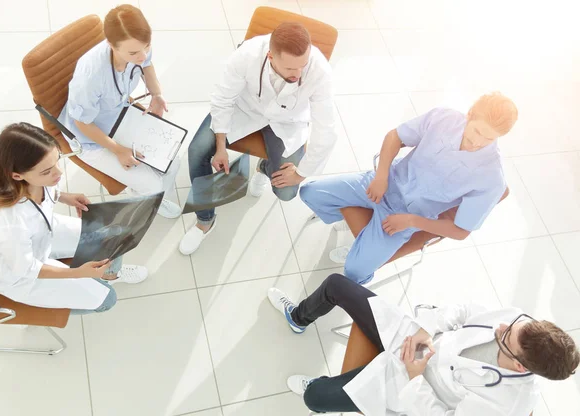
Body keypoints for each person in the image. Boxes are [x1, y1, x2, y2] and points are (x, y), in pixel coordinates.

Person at [267, 274, 580, 415]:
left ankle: (323, 389)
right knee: (336, 285)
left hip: (409, 387)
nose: (500, 326)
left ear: (519, 365)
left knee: (314, 397)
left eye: (504, 336)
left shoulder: (508, 405)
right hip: (415, 340)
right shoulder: (517, 325)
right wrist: (426, 330)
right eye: (512, 324)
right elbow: (466, 311)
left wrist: (415, 376)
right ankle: (298, 318)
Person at [300, 92, 517, 284]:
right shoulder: (443, 118)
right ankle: (363, 232)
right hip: (386, 184)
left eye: (489, 138)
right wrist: (381, 175)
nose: (478, 142)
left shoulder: (491, 178)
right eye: (477, 131)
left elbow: (461, 231)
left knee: (354, 272)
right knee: (309, 192)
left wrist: (412, 222)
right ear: (470, 114)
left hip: (407, 217)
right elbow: (395, 136)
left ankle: (365, 249)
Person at [179, 22, 337, 255]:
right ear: (270, 56)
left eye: (302, 66)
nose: (298, 74)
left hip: (287, 120)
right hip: (245, 110)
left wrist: (301, 172)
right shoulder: (248, 54)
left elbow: (327, 129)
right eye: (290, 68)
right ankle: (205, 221)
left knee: (286, 192)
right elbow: (222, 99)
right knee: (197, 151)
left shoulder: (319, 71)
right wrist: (220, 146)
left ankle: (264, 168)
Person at [0, 123, 148, 314]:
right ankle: (50, 304)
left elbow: (45, 191)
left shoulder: (36, 178)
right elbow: (26, 269)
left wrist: (65, 197)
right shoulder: (5, 221)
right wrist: (77, 274)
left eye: (57, 161)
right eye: (47, 172)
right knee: (107, 299)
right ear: (17, 176)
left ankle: (109, 276)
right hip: (21, 273)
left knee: (114, 236)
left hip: (44, 232)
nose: (59, 173)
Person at [57, 4, 181, 219]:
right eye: (133, 52)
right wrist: (118, 150)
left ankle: (147, 192)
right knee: (152, 185)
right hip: (92, 138)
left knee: (172, 161)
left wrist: (156, 94)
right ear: (110, 44)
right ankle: (147, 196)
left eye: (146, 47)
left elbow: (147, 65)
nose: (142, 55)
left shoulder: (139, 48)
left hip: (122, 117)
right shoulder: (91, 76)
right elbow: (82, 124)